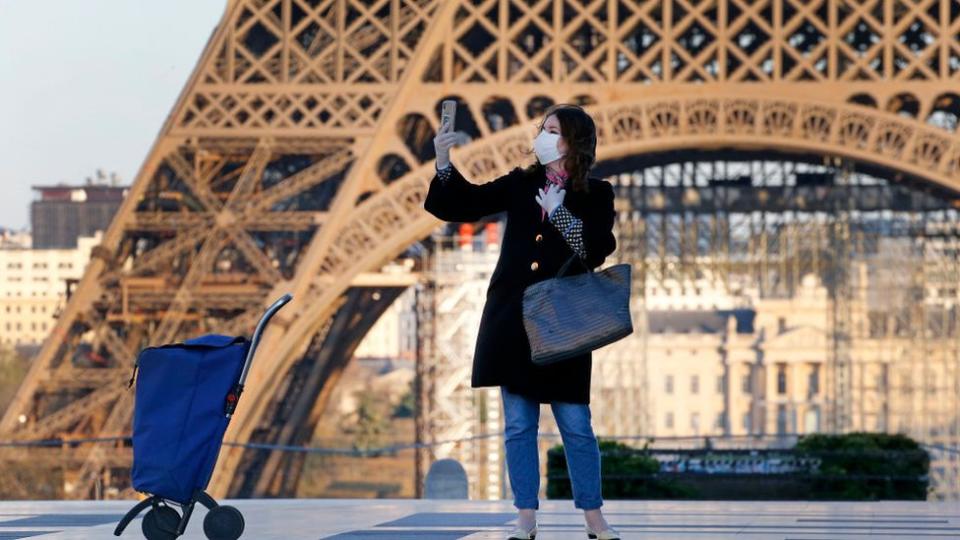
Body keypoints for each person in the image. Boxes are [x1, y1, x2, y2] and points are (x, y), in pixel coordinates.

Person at [424, 104, 621, 540]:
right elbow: (467, 203)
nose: (544, 136)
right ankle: (525, 517)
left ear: (574, 142)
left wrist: (561, 214)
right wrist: (442, 163)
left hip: (563, 324)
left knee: (576, 425)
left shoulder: (597, 194)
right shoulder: (521, 183)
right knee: (518, 425)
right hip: (513, 323)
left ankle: (593, 517)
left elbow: (597, 252)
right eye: (543, 129)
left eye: (553, 131)